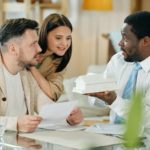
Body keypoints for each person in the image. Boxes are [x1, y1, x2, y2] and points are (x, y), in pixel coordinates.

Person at [0, 18, 83, 133]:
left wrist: (67, 116)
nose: (39, 48)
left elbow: (44, 105)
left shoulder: (26, 74)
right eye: (33, 44)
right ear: (13, 49)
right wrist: (16, 124)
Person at [88, 11, 150, 129]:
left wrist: (114, 101)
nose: (119, 43)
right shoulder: (118, 60)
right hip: (112, 135)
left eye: (125, 39)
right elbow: (100, 103)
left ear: (145, 41)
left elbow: (147, 119)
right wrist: (97, 94)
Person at [30, 13, 72, 102]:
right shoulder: (29, 46)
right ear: (45, 35)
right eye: (58, 38)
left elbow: (53, 94)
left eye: (68, 38)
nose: (65, 44)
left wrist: (31, 67)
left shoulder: (58, 61)